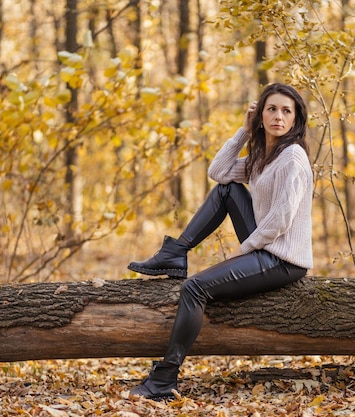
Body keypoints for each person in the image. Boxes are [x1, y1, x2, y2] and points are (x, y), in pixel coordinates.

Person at [127, 82, 313, 400]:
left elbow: (282, 220)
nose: (278, 117)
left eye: (286, 111)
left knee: (195, 288)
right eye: (271, 109)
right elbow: (219, 171)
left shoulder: (292, 159)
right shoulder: (263, 157)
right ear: (260, 115)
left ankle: (164, 380)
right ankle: (176, 251)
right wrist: (243, 132)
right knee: (228, 190)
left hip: (283, 259)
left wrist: (246, 250)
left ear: (295, 120)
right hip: (266, 247)